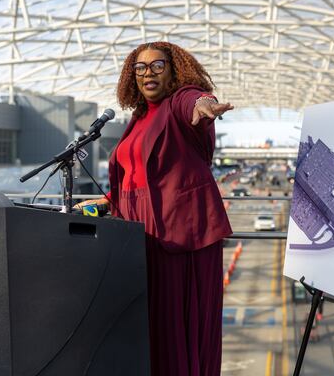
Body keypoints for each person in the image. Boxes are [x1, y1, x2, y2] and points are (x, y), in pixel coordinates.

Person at [75, 41, 233, 375]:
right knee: (145, 322)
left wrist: (204, 104)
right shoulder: (138, 118)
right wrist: (109, 202)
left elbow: (194, 102)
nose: (149, 73)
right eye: (141, 67)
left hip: (176, 231)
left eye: (158, 66)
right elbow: (137, 175)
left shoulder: (178, 101)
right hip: (137, 229)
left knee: (174, 324)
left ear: (174, 71)